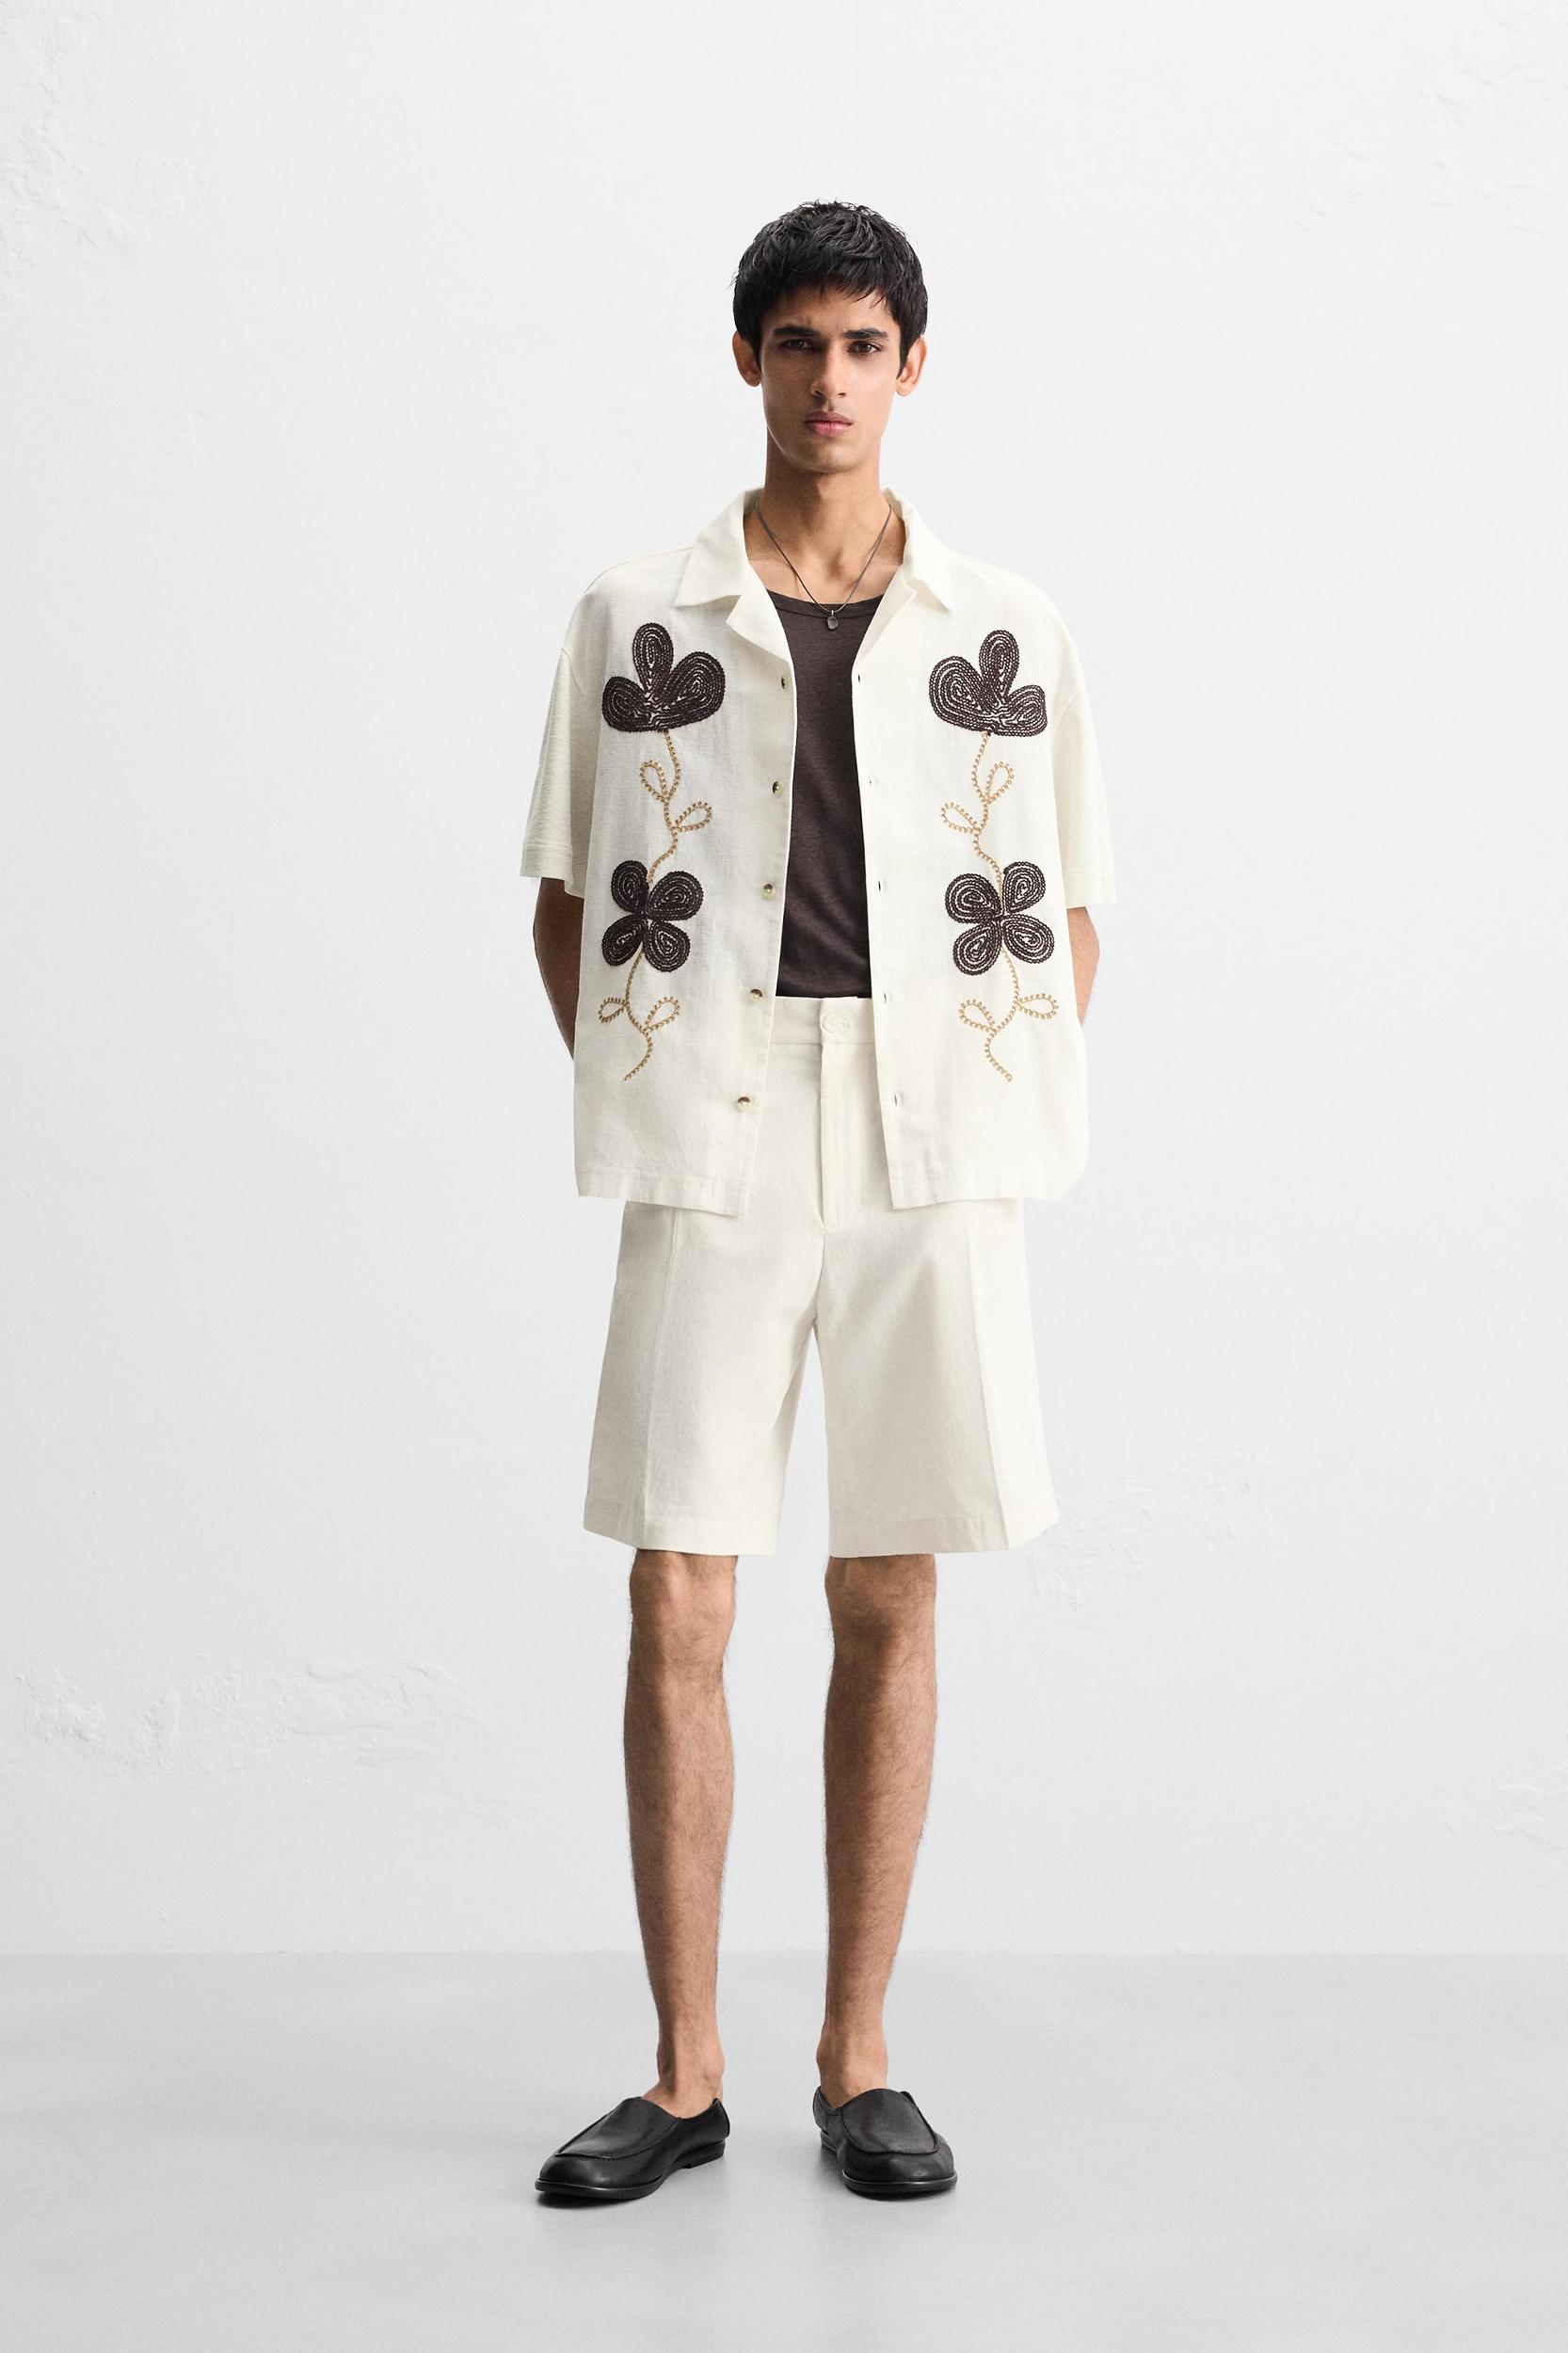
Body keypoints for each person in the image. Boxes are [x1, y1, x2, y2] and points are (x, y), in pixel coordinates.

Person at [521, 200, 1116, 2203]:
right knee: (675, 1587)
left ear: (912, 366)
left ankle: (857, 2057)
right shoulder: (639, 615)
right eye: (796, 342)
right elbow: (566, 896)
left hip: (929, 1121)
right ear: (746, 362)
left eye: (863, 343)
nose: (829, 379)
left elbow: (1069, 910)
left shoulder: (1005, 627)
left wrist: (983, 1086)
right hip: (718, 1103)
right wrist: (666, 1069)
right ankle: (681, 2072)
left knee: (889, 1581)